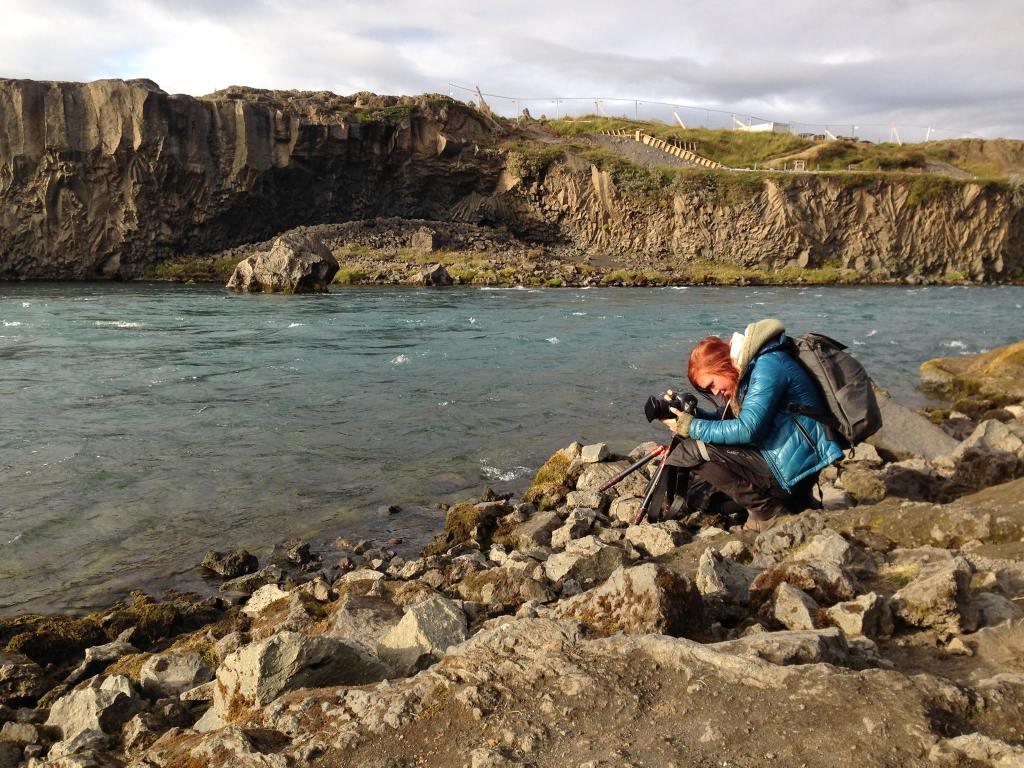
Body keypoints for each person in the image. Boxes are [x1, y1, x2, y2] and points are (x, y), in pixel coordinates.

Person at [659, 318, 843, 531]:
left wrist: (691, 427)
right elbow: (725, 419)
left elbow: (748, 430)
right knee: (702, 498)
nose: (715, 393)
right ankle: (789, 503)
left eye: (712, 385)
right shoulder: (753, 366)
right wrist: (687, 416)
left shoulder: (767, 366)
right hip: (790, 463)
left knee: (692, 450)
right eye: (708, 391)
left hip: (794, 471)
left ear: (723, 364)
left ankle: (768, 511)